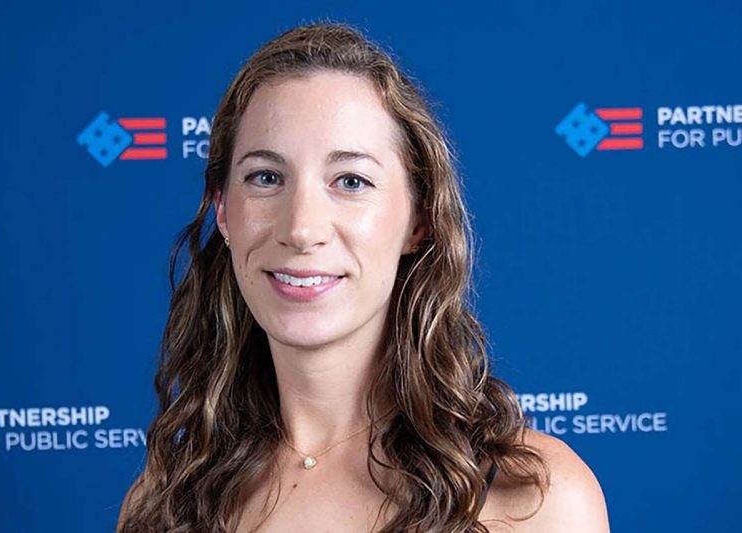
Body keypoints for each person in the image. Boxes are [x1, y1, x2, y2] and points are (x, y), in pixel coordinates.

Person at [118, 22, 609, 532]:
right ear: (223, 212)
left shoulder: (533, 496)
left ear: (418, 220)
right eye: (266, 177)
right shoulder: (164, 497)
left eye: (351, 181)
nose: (302, 228)